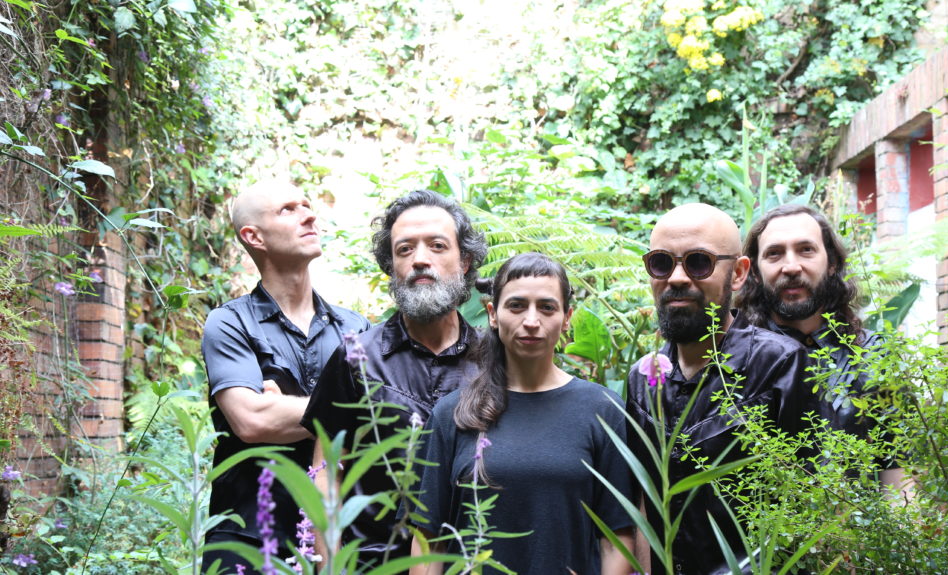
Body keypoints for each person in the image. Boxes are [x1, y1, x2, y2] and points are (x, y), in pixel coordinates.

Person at [410, 252, 635, 575]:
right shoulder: (452, 414)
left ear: (567, 318)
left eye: (547, 307)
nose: (531, 321)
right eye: (516, 306)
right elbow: (429, 541)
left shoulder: (603, 411)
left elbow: (616, 540)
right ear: (493, 314)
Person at [302, 189, 488, 565]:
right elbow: (325, 475)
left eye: (437, 246)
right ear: (391, 266)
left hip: (471, 562)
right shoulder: (355, 359)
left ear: (465, 260)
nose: (420, 259)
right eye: (404, 249)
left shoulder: (494, 363)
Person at [625, 203, 813, 575]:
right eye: (661, 263)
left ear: (738, 273)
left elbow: (806, 507)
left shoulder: (780, 365)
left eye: (699, 262)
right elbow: (642, 504)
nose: (677, 278)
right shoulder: (643, 378)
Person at [200, 181, 370, 571]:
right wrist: (347, 409)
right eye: (288, 210)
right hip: (246, 542)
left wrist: (286, 408)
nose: (309, 216)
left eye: (307, 206)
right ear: (253, 236)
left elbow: (380, 421)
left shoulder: (356, 329)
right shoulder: (230, 324)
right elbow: (252, 420)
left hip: (339, 540)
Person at [736, 203, 904, 486]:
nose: (791, 267)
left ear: (832, 263)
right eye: (774, 253)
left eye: (806, 250)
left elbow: (900, 476)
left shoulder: (876, 356)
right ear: (754, 272)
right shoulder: (733, 361)